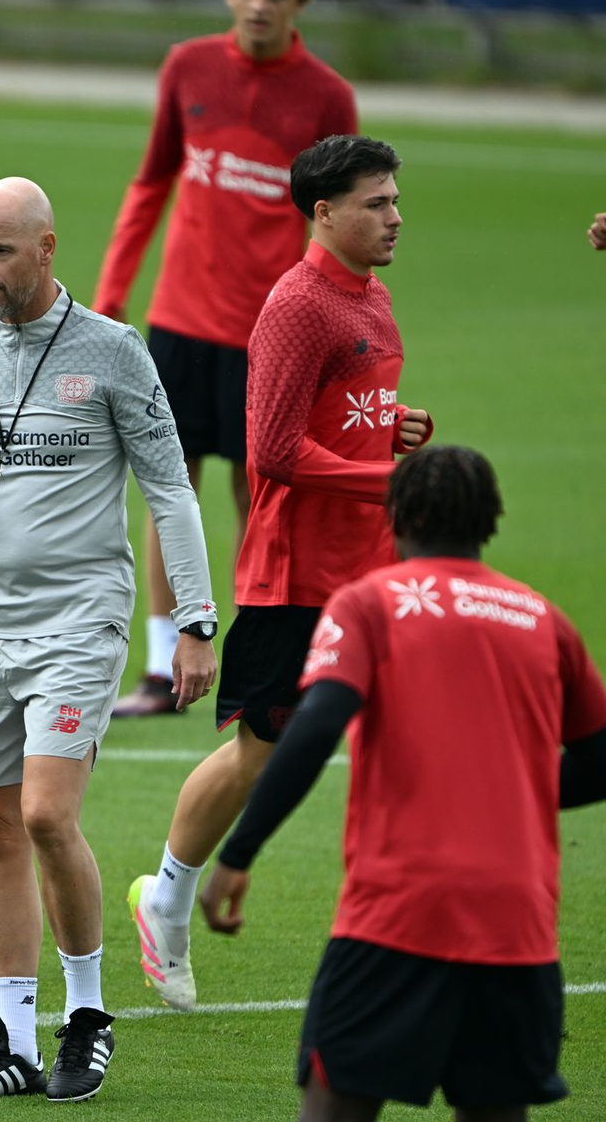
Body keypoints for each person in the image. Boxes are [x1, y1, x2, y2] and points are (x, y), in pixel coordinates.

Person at [0, 177, 218, 1102]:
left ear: (48, 246)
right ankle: (17, 1043)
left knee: (44, 814)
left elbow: (170, 487)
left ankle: (89, 1016)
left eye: (1, 251)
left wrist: (193, 621)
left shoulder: (112, 352)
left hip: (78, 617)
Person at [202, 445, 606, 1121]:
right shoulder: (543, 619)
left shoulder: (370, 604)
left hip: (397, 916)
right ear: (491, 519)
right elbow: (598, 759)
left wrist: (237, 855)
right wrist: (513, 790)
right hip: (517, 928)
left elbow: (318, 720)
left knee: (336, 1107)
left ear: (392, 513)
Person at [126, 134, 433, 1012]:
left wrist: (391, 425)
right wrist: (386, 477)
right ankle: (168, 898)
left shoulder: (370, 296)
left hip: (369, 569)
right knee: (261, 753)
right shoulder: (298, 304)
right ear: (324, 211)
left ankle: (406, 927)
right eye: (376, 203)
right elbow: (273, 449)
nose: (395, 217)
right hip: (295, 575)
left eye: (395, 200)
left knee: (401, 734)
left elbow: (337, 411)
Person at [94, 0, 358, 717]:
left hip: (269, 334)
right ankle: (158, 670)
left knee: (264, 498)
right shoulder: (189, 68)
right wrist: (113, 291)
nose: (258, 6)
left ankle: (258, 659)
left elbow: (340, 218)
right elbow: (151, 182)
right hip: (178, 321)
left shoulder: (325, 95)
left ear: (298, 2)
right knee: (168, 492)